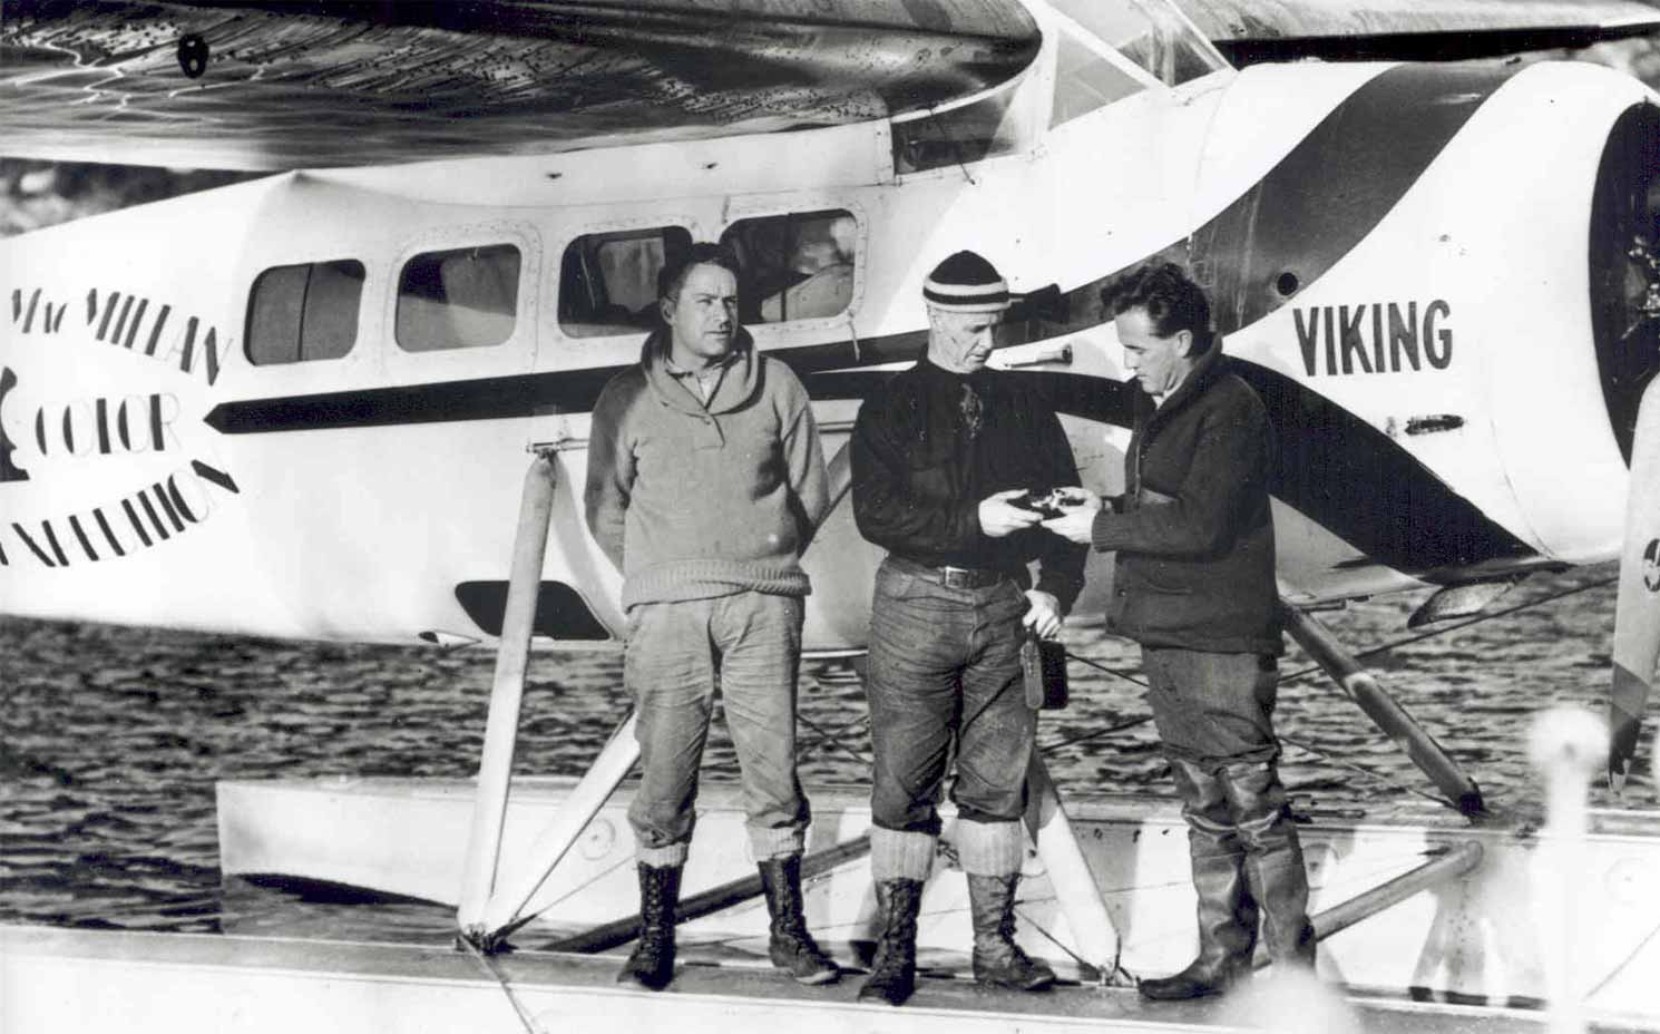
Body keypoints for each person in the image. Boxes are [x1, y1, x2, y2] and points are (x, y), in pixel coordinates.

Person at [1043, 261, 1315, 1000]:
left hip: (1219, 639)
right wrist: (1096, 505)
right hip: (1173, 631)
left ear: (1183, 340)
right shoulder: (1174, 402)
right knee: (1206, 803)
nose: (1128, 366)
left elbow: (1202, 523)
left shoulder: (1228, 406)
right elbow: (1171, 505)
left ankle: (1294, 978)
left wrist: (1095, 527)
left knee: (1251, 805)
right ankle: (1223, 960)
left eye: (1136, 349)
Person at [584, 242, 837, 991]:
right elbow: (605, 509)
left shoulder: (779, 386)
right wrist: (660, 575)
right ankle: (655, 941)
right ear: (668, 310)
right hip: (667, 613)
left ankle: (789, 937)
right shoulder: (624, 398)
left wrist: (765, 562)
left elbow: (811, 493)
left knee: (775, 772)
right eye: (705, 301)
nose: (722, 314)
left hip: (764, 605)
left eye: (731, 301)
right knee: (665, 774)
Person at [848, 250, 1087, 1007]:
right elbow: (874, 514)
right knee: (903, 784)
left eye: (994, 326)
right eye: (974, 327)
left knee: (995, 783)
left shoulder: (1025, 405)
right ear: (935, 318)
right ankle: (896, 951)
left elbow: (1065, 508)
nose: (987, 341)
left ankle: (994, 946)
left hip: (1005, 608)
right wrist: (970, 521)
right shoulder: (889, 406)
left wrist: (1056, 590)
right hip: (915, 604)